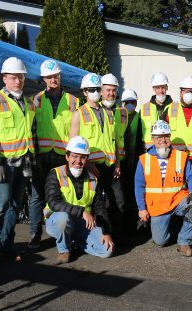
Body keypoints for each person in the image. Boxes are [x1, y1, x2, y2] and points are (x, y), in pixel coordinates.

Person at [0, 57, 37, 265]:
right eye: (14, 77)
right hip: (3, 163)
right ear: (4, 78)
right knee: (1, 204)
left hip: (23, 163)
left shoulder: (29, 103)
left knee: (15, 204)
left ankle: (6, 243)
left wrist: (31, 158)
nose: (18, 81)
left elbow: (31, 133)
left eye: (21, 77)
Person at [28, 59, 79, 249]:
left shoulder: (73, 101)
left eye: (55, 76)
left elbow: (76, 130)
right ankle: (34, 235)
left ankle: (67, 235)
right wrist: (32, 155)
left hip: (62, 157)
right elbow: (31, 129)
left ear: (60, 76)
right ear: (44, 79)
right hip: (41, 156)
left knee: (64, 195)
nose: (53, 79)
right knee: (37, 196)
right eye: (49, 77)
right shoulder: (36, 100)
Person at [70, 73, 126, 244]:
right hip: (91, 168)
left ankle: (119, 236)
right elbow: (73, 146)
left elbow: (114, 140)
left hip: (110, 166)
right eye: (91, 90)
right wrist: (87, 165)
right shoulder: (79, 114)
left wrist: (117, 162)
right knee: (99, 204)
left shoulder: (109, 113)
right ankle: (101, 235)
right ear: (85, 92)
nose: (95, 92)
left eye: (97, 89)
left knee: (119, 202)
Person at [134, 120, 192, 257]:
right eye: (158, 137)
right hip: (157, 206)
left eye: (166, 136)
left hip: (178, 200)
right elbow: (139, 185)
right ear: (152, 139)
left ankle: (183, 242)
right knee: (160, 241)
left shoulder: (180, 156)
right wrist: (141, 208)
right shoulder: (144, 159)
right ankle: (173, 227)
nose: (163, 140)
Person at [45, 136, 114, 264]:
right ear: (67, 156)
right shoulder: (55, 174)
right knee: (62, 219)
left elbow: (100, 208)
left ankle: (74, 242)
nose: (78, 161)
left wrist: (106, 231)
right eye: (74, 156)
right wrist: (82, 212)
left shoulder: (93, 179)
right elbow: (54, 203)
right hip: (58, 221)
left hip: (83, 224)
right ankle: (64, 249)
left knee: (106, 250)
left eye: (83, 157)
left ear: (87, 159)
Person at [119, 89, 143, 232]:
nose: (129, 105)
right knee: (122, 193)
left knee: (135, 192)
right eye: (126, 102)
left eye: (132, 102)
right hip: (120, 161)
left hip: (135, 161)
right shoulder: (117, 116)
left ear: (136, 102)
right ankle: (124, 225)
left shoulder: (141, 118)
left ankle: (135, 225)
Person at [140, 73, 173, 152]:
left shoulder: (175, 108)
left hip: (169, 151)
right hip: (149, 151)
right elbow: (139, 133)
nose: (161, 91)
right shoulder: (144, 108)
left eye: (163, 87)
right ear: (153, 89)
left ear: (167, 88)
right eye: (158, 88)